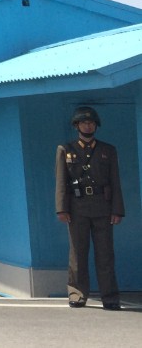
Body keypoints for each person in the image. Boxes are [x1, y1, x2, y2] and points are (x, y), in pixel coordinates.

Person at [55, 106, 124, 310]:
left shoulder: (107, 150)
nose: (88, 125)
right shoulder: (65, 150)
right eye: (84, 122)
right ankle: (77, 294)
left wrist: (117, 210)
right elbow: (61, 182)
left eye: (92, 122)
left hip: (103, 207)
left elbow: (115, 181)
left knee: (105, 254)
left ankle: (110, 297)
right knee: (78, 254)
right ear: (76, 125)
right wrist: (61, 208)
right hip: (77, 208)